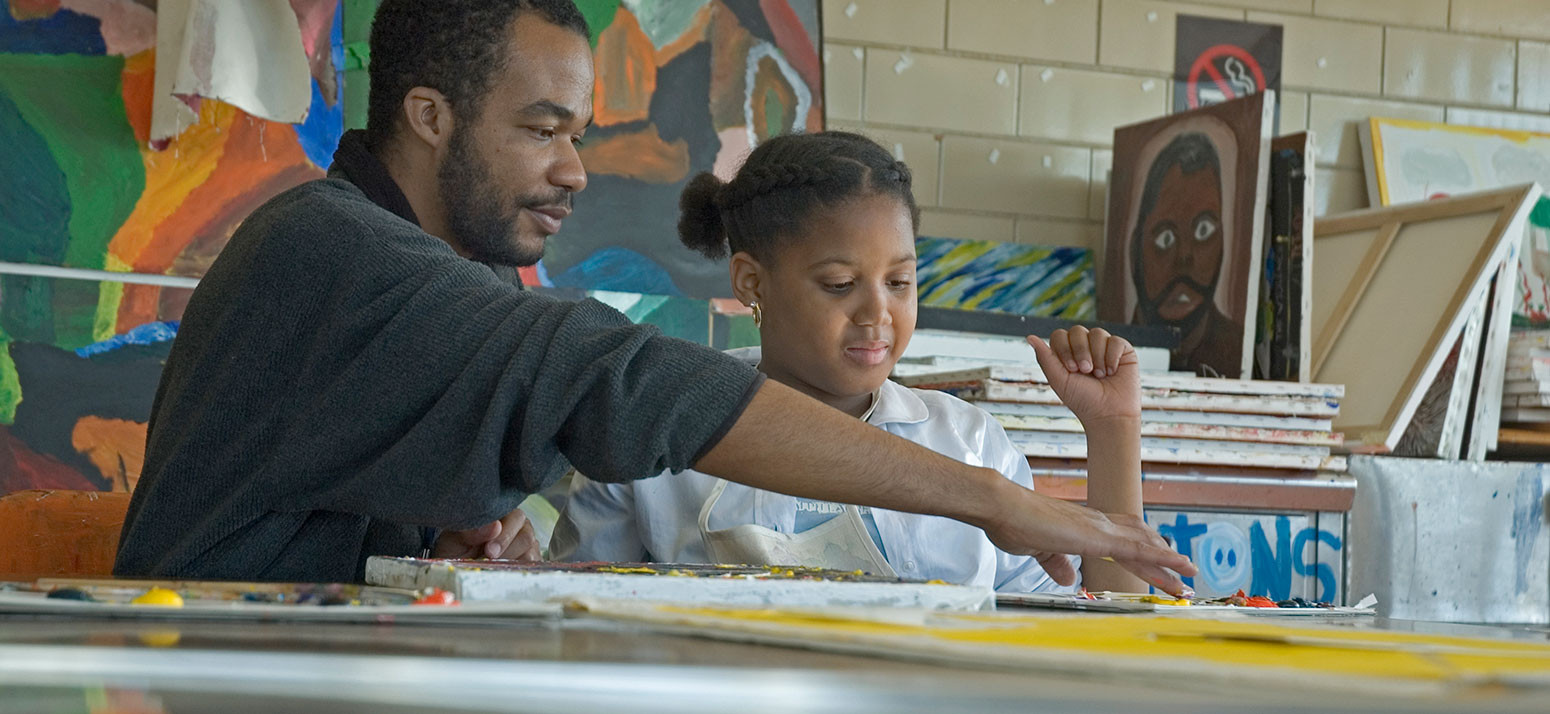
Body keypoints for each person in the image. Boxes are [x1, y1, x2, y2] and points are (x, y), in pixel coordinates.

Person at [113, 0, 1193, 593]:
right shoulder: (331, 248)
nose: (576, 171)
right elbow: (609, 372)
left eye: (578, 133)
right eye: (542, 129)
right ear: (430, 116)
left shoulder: (445, 266)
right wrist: (991, 501)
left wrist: (449, 548)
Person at [552, 132, 1149, 594]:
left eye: (900, 281)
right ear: (752, 282)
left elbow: (1112, 625)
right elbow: (572, 614)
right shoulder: (656, 434)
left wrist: (1112, 429)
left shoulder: (968, 444)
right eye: (839, 284)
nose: (878, 313)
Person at [1128, 132, 1240, 376]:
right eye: (1165, 238)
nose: (1184, 257)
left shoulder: (1238, 354)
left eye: (1204, 230)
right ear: (1134, 250)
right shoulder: (1112, 356)